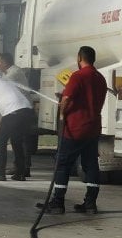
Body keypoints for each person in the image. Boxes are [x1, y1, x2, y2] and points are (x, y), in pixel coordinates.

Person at [38, 45, 109, 214]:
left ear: (79, 58)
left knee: (62, 164)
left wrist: (62, 110)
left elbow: (67, 99)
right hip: (92, 128)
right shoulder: (100, 78)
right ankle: (90, 203)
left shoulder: (78, 76)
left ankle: (57, 203)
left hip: (75, 128)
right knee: (91, 165)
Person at [0, 75, 34, 181]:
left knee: (1, 142)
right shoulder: (4, 82)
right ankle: (20, 174)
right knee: (17, 142)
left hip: (13, 113)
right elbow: (3, 113)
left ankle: (0, 174)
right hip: (27, 111)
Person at [0, 52, 38, 177]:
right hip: (22, 111)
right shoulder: (13, 72)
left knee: (5, 140)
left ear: (4, 63)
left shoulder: (12, 74)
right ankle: (20, 171)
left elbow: (2, 89)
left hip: (18, 112)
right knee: (17, 140)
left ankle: (4, 172)